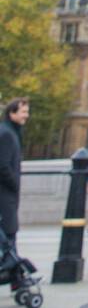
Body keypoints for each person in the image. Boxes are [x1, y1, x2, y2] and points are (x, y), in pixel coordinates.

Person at [0, 98, 29, 245]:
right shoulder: (7, 134)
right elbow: (3, 166)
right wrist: (14, 185)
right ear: (12, 113)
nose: (26, 115)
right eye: (23, 112)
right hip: (4, 197)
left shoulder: (10, 132)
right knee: (7, 242)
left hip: (6, 196)